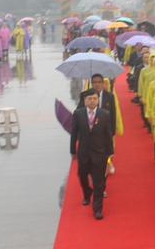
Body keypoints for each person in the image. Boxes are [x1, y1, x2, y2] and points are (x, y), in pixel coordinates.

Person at [70, 88, 114, 220]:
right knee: (82, 176)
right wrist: (73, 150)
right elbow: (74, 133)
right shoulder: (78, 114)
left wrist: (110, 152)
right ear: (85, 100)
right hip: (83, 152)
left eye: (95, 98)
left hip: (99, 153)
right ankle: (87, 192)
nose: (92, 101)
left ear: (98, 99)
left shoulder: (104, 114)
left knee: (99, 182)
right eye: (89, 99)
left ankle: (97, 209)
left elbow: (108, 135)